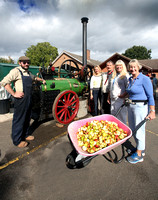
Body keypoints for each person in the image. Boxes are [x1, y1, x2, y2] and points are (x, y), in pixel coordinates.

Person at [1, 56, 46, 148]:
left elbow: (34, 78)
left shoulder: (28, 73)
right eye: (24, 62)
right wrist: (14, 93)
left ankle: (25, 135)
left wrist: (42, 80)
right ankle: (17, 141)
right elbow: (4, 82)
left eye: (28, 62)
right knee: (19, 120)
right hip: (21, 100)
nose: (26, 64)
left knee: (27, 118)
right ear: (20, 63)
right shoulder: (16, 71)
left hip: (29, 98)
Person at [126, 59, 156, 164]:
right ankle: (140, 148)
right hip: (131, 106)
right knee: (133, 129)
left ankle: (139, 155)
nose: (133, 69)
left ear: (139, 67)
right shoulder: (130, 79)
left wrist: (152, 111)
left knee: (139, 130)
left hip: (140, 107)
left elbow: (150, 96)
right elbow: (129, 92)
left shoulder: (144, 79)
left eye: (135, 66)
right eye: (131, 67)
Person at [108, 60, 129, 124]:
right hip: (113, 99)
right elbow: (110, 87)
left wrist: (123, 95)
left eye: (120, 65)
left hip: (120, 99)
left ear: (123, 66)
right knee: (114, 116)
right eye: (117, 65)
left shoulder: (126, 76)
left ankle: (123, 131)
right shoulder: (114, 75)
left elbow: (128, 88)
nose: (118, 67)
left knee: (121, 117)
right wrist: (108, 97)